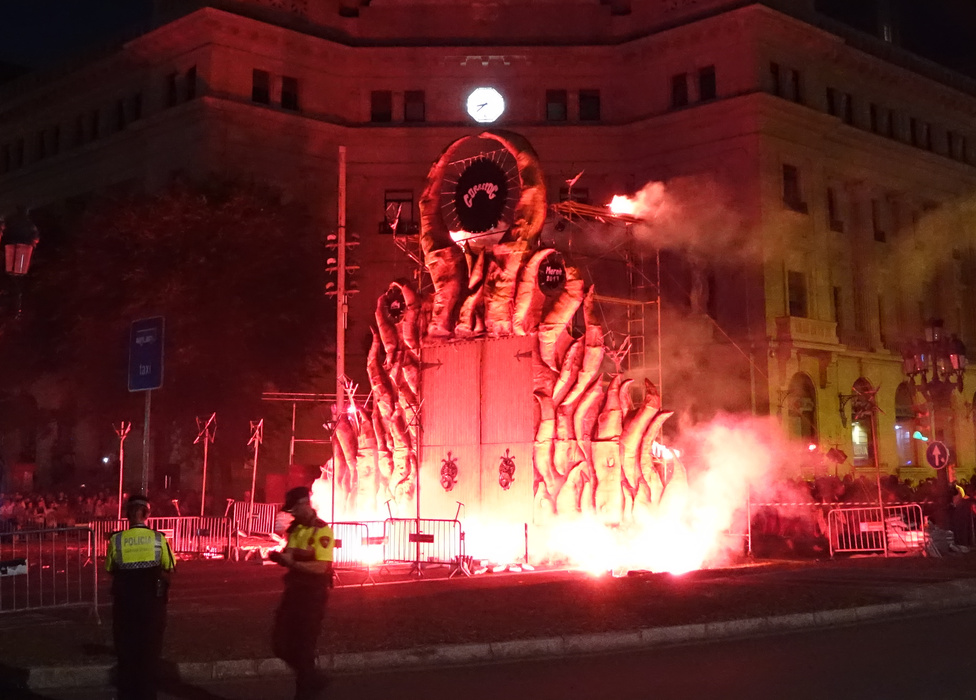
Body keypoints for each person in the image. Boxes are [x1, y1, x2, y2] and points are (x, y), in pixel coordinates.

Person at [105, 494, 175, 700]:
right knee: (150, 654)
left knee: (126, 652)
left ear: (127, 514)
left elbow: (109, 567)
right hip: (152, 606)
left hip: (125, 606)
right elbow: (170, 565)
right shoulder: (158, 539)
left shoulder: (117, 540)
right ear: (147, 514)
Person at [269, 486, 335, 700]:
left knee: (305, 647)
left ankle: (306, 689)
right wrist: (279, 558)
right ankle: (314, 678)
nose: (293, 513)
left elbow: (321, 567)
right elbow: (289, 554)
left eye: (295, 509)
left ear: (305, 504)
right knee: (280, 644)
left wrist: (292, 563)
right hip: (293, 593)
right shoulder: (295, 529)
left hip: (312, 595)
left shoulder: (321, 530)